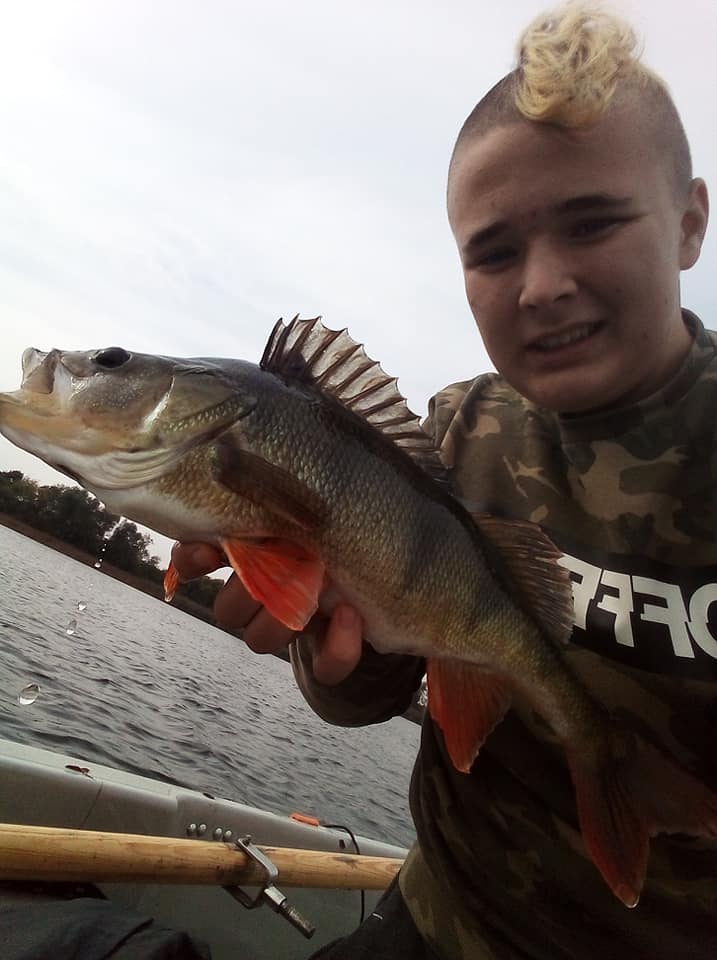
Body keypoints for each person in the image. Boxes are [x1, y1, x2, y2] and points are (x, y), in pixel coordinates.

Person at [172, 3, 716, 957]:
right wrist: (335, 654)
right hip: (438, 917)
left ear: (687, 224)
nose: (540, 285)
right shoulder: (458, 431)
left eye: (592, 223)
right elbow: (373, 688)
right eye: (493, 251)